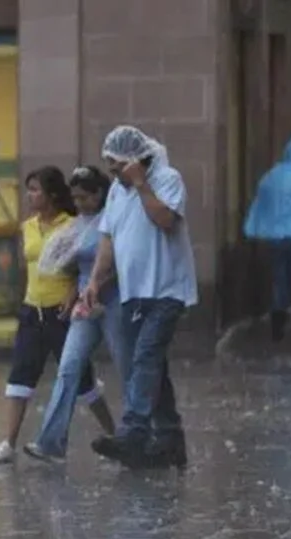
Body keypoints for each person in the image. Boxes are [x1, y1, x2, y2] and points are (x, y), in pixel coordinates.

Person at [84, 125, 198, 469]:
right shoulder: (117, 193)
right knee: (152, 365)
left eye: (117, 166)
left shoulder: (167, 179)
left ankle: (134, 431)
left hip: (166, 289)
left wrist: (141, 184)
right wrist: (94, 281)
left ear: (136, 161)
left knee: (145, 357)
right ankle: (169, 439)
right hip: (134, 292)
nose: (113, 173)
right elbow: (108, 239)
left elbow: (165, 220)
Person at [0, 166, 114, 464]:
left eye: (35, 190)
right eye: (28, 189)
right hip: (33, 310)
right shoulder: (27, 227)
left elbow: (80, 265)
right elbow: (27, 266)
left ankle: (114, 433)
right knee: (20, 375)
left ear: (53, 194)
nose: (30, 195)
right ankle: (8, 443)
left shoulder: (73, 225)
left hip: (63, 312)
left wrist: (74, 292)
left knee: (82, 382)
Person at [24, 165, 120, 463]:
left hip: (114, 300)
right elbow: (68, 262)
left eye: (84, 198)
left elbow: (123, 260)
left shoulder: (114, 220)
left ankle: (139, 433)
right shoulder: (79, 224)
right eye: (74, 198)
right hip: (85, 303)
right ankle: (51, 442)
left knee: (129, 366)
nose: (78, 204)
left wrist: (98, 282)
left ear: (99, 194)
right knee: (68, 367)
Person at [242, 136, 291, 357]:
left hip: (277, 239)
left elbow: (261, 204)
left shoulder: (270, 177)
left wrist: (257, 226)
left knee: (280, 279)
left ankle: (277, 327)